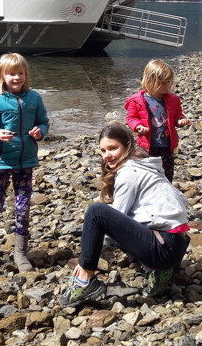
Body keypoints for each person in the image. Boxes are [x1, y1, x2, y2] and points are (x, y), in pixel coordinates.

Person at [60, 122, 190, 308]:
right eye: (103, 151)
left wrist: (85, 260)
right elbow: (182, 201)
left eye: (113, 148)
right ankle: (158, 271)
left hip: (162, 249)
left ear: (127, 146)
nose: (107, 156)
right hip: (176, 245)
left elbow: (112, 218)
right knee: (117, 220)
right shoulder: (146, 167)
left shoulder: (129, 172)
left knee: (96, 212)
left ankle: (84, 281)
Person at [0, 53, 50, 272]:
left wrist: (40, 133)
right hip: (0, 161)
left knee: (23, 208)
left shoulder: (34, 98)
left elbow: (44, 123)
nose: (16, 77)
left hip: (25, 161)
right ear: (2, 75)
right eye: (11, 74)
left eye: (20, 73)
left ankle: (20, 253)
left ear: (26, 75)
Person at [124, 59, 190, 182]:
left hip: (167, 145)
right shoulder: (137, 100)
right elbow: (131, 117)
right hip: (147, 145)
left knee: (167, 173)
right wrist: (138, 126)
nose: (167, 86)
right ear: (150, 81)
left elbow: (177, 115)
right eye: (163, 83)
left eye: (168, 82)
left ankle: (166, 191)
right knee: (147, 173)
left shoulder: (173, 100)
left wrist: (180, 120)